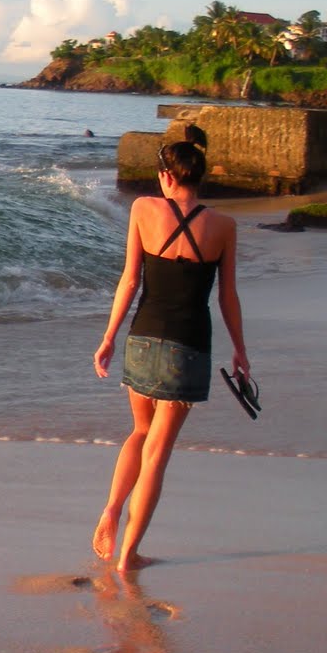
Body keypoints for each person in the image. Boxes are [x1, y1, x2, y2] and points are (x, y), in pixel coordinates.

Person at [92, 139, 249, 571]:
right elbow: (227, 297)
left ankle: (110, 508)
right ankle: (127, 556)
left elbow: (129, 281)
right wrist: (240, 350)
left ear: (166, 176)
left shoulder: (143, 209)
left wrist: (108, 338)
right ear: (200, 177)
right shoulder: (225, 226)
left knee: (139, 433)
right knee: (158, 453)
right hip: (189, 346)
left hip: (142, 339)